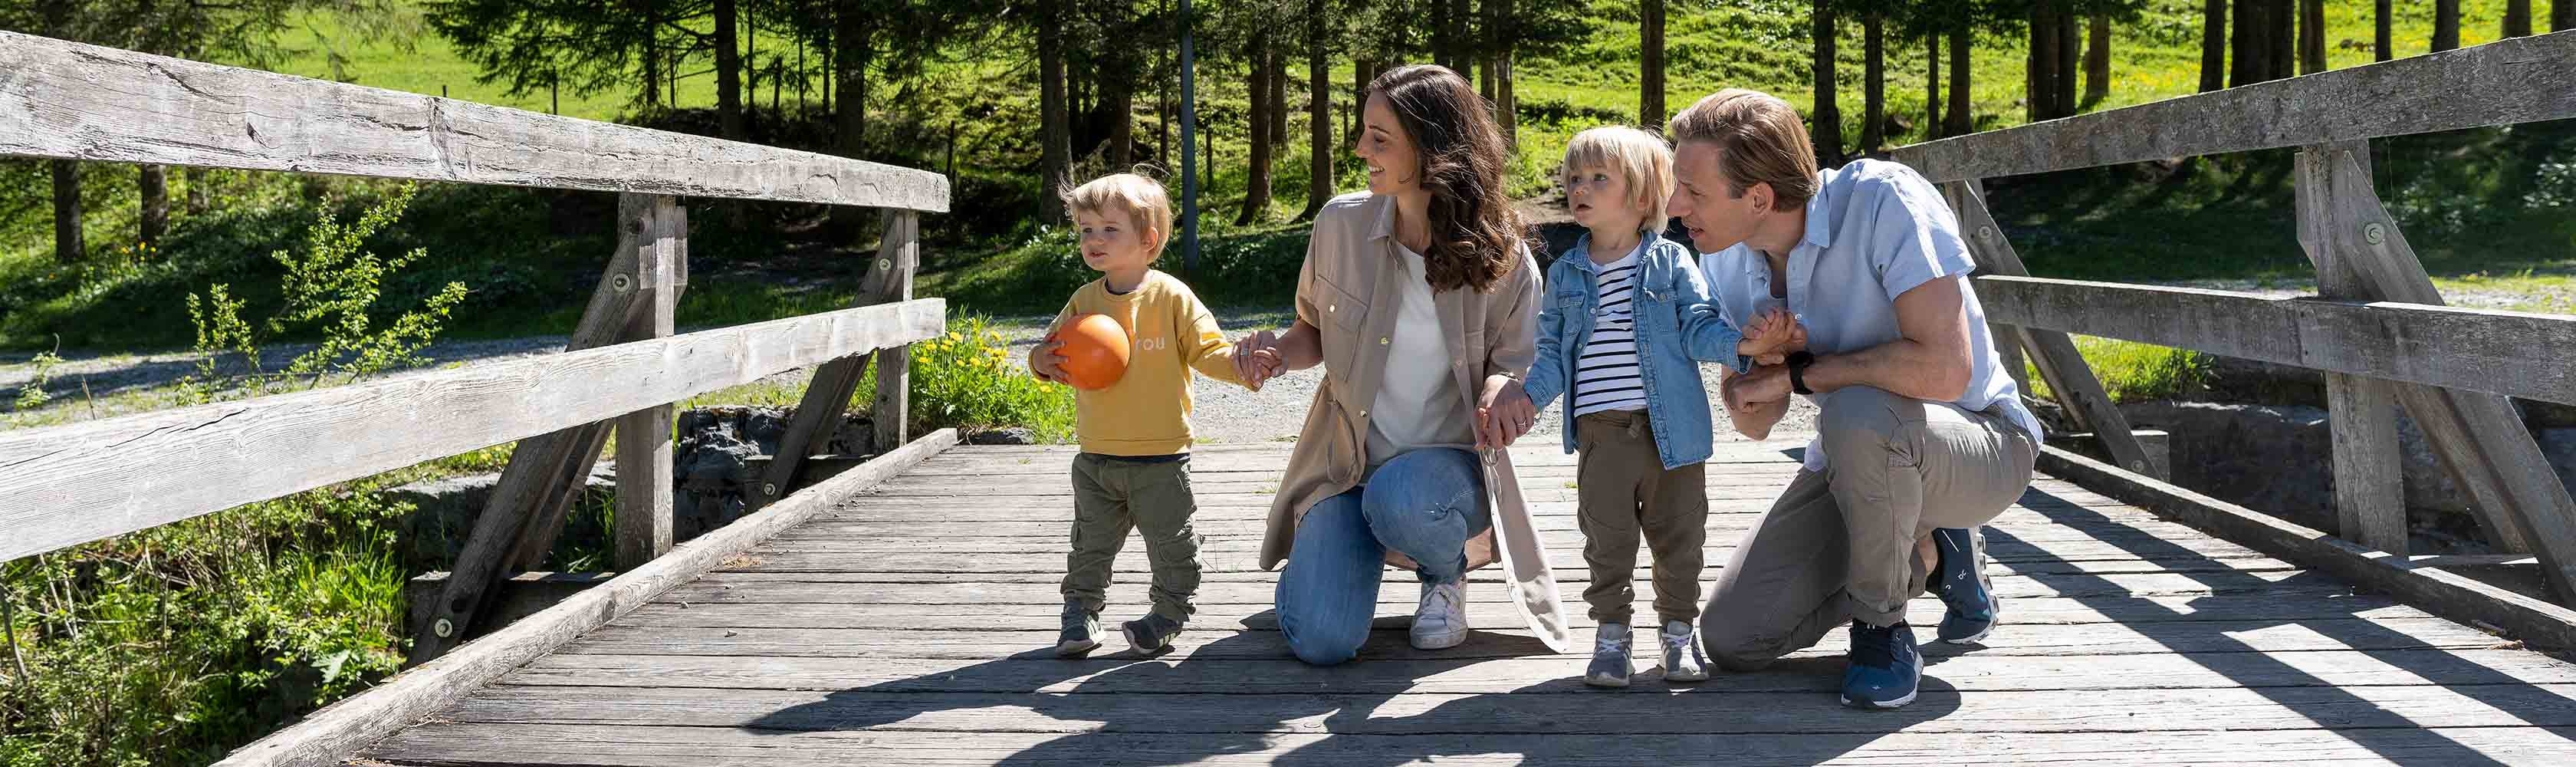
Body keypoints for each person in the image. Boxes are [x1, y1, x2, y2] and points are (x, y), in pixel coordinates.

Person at [1665, 89, 2039, 709]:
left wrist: (1800, 375)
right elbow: (1756, 423)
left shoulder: (1883, 199)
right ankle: (1938, 557)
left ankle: (1882, 630)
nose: (1676, 207)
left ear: (1758, 198)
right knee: (1736, 636)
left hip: (1985, 443)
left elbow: (1948, 371)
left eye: (1693, 191)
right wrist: (1759, 372)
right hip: (1861, 459)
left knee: (1858, 409)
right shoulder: (1725, 261)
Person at [1234, 64, 1570, 665]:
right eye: (1365, 132)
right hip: (1347, 468)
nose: (1361, 148)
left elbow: (1518, 364)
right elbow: (1311, 329)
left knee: (1402, 496)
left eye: (1379, 138)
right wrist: (1275, 353)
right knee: (1323, 642)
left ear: (1434, 147)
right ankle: (1320, 571)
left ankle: (1444, 575)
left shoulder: (1506, 258)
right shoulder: (1340, 223)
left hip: (1443, 477)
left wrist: (1502, 390)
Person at [1508, 125, 1799, 688]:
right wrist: (1524, 401)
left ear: (1643, 196)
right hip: (1601, 433)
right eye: (1573, 178)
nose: (1579, 188)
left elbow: (1698, 328)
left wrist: (1744, 347)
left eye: (1598, 178)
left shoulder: (1670, 263)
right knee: (1607, 540)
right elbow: (1551, 356)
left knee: (1679, 538)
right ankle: (1612, 636)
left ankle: (1677, 633)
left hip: (1674, 434)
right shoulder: (1566, 274)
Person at [1028, 173, 1254, 657]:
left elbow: (1210, 351)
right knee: (1089, 545)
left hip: (1161, 458)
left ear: (1148, 240)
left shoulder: (1171, 298)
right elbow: (1048, 351)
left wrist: (1242, 365)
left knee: (1172, 546)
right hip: (1096, 458)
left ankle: (1168, 614)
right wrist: (1039, 363)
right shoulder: (1084, 302)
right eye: (1087, 229)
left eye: (1110, 230)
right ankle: (1080, 614)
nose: (1094, 240)